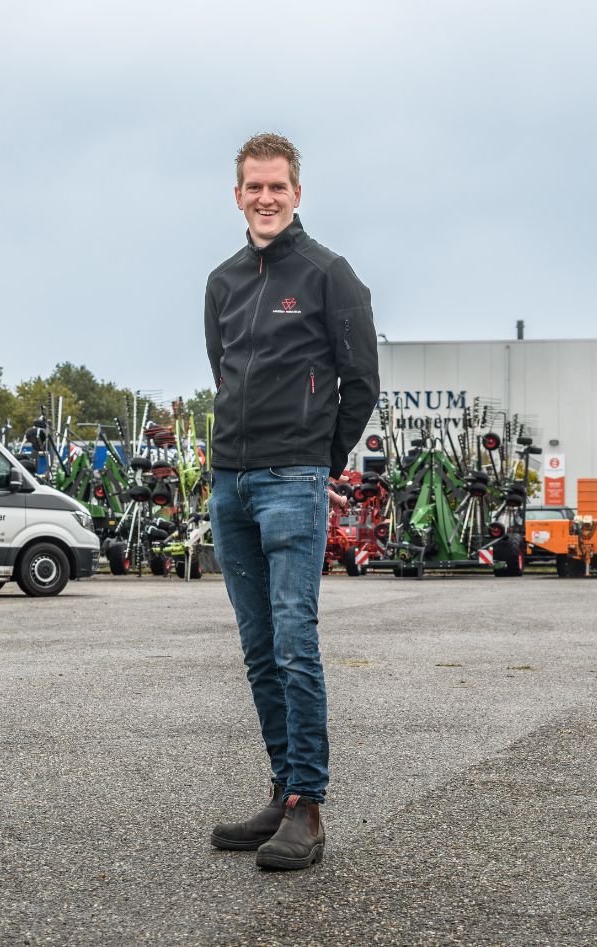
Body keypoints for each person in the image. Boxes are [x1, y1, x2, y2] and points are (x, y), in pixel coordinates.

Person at [203, 133, 379, 871]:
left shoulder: (328, 275)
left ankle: (308, 804)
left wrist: (317, 458)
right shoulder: (222, 282)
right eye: (255, 187)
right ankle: (282, 791)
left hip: (292, 482)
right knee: (257, 648)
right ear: (237, 195)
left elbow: (360, 381)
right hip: (230, 483)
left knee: (294, 643)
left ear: (297, 193)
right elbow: (222, 369)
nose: (266, 198)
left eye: (277, 186)